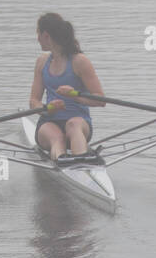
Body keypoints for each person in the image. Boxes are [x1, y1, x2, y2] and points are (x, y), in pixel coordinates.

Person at [30, 12, 106, 163]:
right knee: (57, 137)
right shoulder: (42, 62)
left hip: (79, 122)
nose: (37, 38)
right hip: (48, 122)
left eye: (37, 34)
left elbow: (101, 100)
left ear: (46, 35)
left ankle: (81, 162)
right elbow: (33, 101)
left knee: (73, 125)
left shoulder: (80, 62)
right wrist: (46, 108)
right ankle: (65, 161)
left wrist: (75, 96)